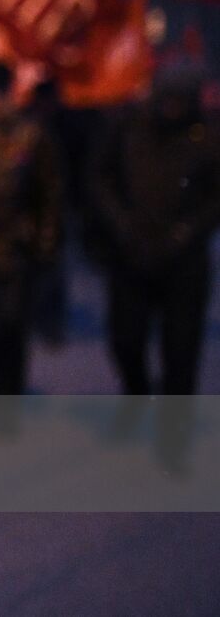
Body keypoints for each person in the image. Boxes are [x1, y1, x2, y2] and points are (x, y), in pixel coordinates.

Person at [92, 64, 220, 396]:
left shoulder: (207, 136)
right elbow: (101, 177)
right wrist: (121, 222)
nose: (172, 108)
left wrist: (190, 230)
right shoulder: (130, 127)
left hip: (184, 261)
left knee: (180, 353)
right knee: (126, 341)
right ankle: (137, 397)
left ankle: (172, 432)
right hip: (132, 252)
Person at [0, 61, 62, 394]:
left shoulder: (28, 133)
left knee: (9, 328)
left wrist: (43, 243)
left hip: (15, 247)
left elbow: (49, 192)